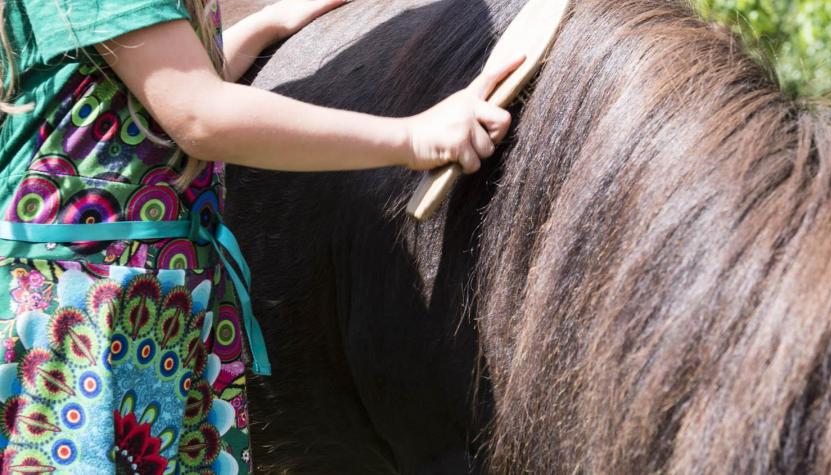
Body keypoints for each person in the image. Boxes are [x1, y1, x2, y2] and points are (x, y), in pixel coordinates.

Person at [0, 0, 519, 472]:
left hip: (145, 299)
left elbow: (161, 83)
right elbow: (198, 114)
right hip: (84, 309)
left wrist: (271, 24)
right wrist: (412, 136)